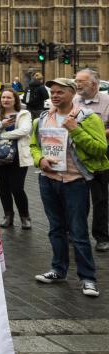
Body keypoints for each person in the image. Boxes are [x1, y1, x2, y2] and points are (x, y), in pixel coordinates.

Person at [31, 78, 109, 298]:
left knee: (78, 232)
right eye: (52, 92)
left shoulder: (87, 118)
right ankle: (58, 269)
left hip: (75, 181)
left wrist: (75, 130)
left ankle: (88, 278)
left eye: (60, 92)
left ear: (72, 94)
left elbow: (100, 149)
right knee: (56, 229)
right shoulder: (44, 118)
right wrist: (40, 161)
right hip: (48, 180)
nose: (55, 96)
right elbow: (34, 146)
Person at [0, 88, 33, 229]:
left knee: (17, 188)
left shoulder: (24, 114)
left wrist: (0, 135)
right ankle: (8, 215)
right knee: (3, 187)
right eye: (3, 98)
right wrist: (1, 125)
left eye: (9, 98)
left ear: (15, 100)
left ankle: (25, 216)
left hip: (18, 157)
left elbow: (24, 131)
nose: (5, 100)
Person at [74, 68, 109, 252]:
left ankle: (102, 237)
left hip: (99, 157)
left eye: (81, 81)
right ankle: (76, 234)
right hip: (76, 158)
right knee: (77, 200)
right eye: (76, 80)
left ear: (94, 84)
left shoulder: (107, 101)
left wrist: (96, 135)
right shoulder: (74, 100)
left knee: (100, 200)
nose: (77, 84)